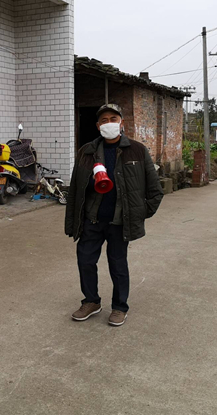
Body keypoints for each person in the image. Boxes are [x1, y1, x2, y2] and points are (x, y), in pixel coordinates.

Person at [65, 104, 163, 327]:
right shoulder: (86, 151)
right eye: (104, 120)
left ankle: (120, 307)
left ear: (121, 123)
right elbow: (75, 188)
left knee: (118, 265)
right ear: (98, 126)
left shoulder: (137, 150)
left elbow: (155, 190)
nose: (109, 123)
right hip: (92, 219)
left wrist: (138, 213)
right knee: (85, 261)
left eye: (113, 119)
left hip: (120, 221)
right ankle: (91, 301)